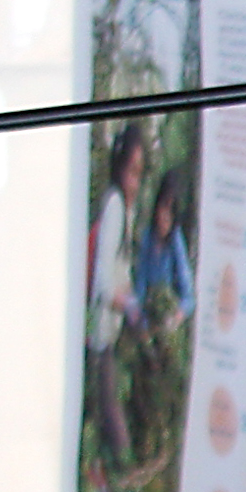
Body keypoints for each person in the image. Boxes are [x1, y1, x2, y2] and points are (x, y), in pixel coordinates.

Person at [85, 123, 149, 466]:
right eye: (132, 171)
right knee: (111, 420)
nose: (136, 182)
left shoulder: (127, 210)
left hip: (111, 333)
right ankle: (123, 472)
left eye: (140, 173)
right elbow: (102, 283)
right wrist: (126, 302)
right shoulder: (114, 205)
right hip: (99, 334)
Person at [133, 168, 196, 324]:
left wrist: (175, 316)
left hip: (167, 321)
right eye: (163, 208)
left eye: (170, 212)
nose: (164, 217)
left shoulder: (175, 241)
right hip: (146, 320)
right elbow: (141, 283)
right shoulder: (148, 237)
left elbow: (188, 297)